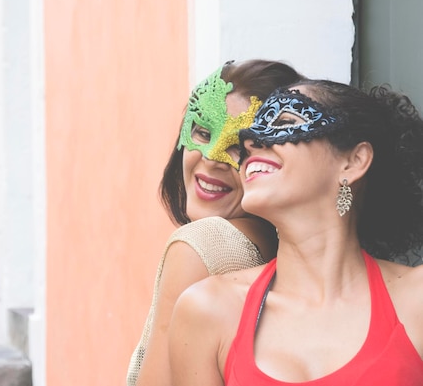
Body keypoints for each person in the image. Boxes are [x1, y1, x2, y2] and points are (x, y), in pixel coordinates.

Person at [168, 79, 423, 385]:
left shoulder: (415, 301)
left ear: (354, 161)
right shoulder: (208, 311)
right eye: (253, 128)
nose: (250, 141)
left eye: (286, 121)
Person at [127, 59, 305, 386]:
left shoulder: (201, 246)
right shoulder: (298, 252)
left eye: (238, 148)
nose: (210, 157)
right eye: (203, 132)